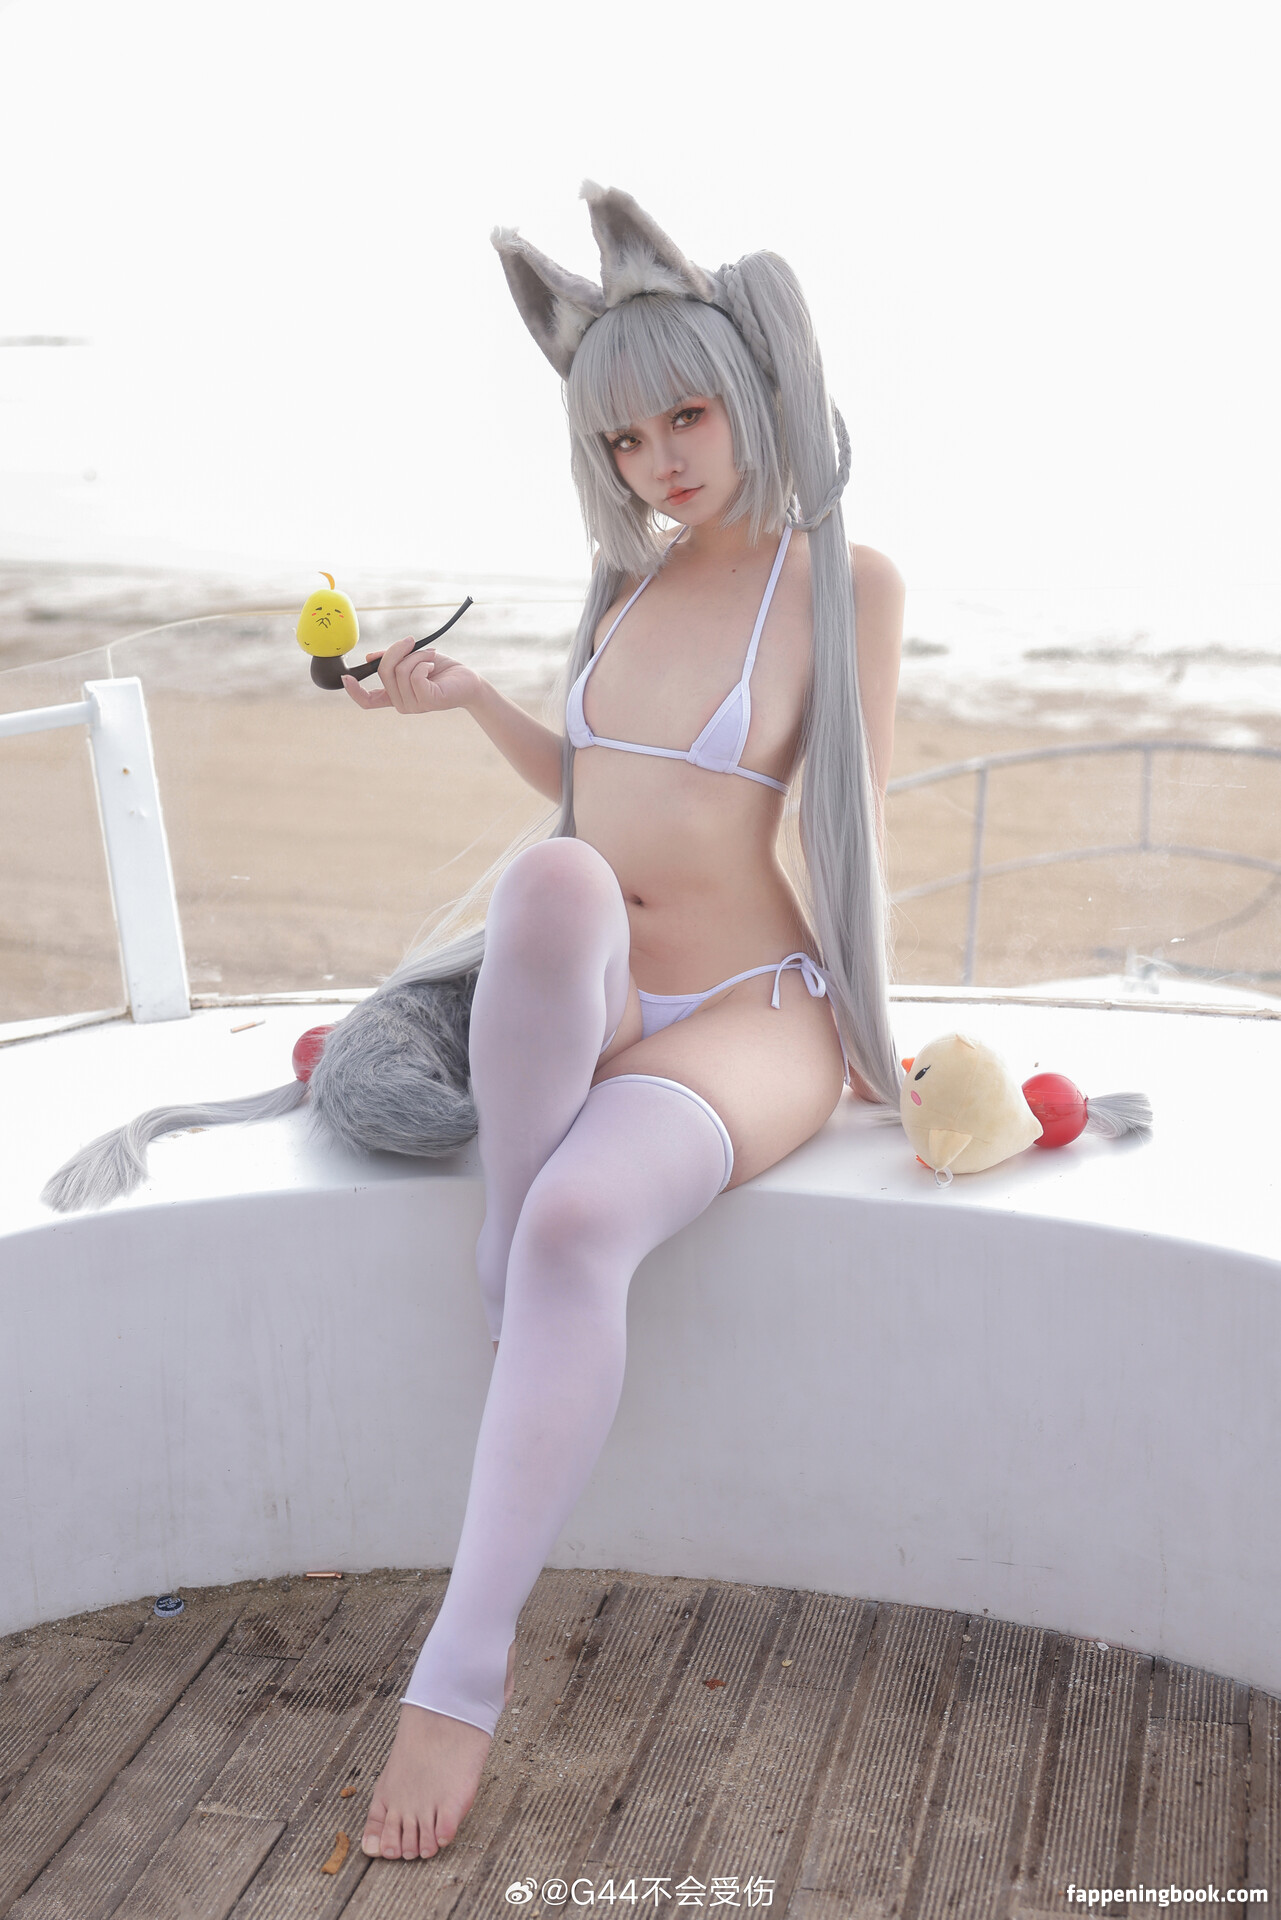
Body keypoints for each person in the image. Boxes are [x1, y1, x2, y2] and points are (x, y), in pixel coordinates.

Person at [340, 182, 907, 1863]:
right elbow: (595, 795)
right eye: (623, 438)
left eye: (685, 417)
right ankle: (506, 1243)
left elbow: (854, 818)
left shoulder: (839, 581)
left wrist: (889, 1038)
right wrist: (472, 700)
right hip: (605, 989)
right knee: (549, 881)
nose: (659, 460)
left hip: (746, 1005)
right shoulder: (625, 583)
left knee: (588, 1222)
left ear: (752, 394)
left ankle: (461, 1669)